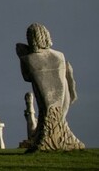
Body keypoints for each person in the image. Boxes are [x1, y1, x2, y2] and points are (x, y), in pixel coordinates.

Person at [16, 23, 83, 151]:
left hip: (45, 101)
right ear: (46, 35)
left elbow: (27, 77)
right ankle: (61, 140)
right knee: (57, 120)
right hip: (62, 100)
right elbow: (67, 78)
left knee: (46, 118)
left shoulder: (29, 59)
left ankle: (48, 141)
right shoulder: (59, 55)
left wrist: (22, 57)